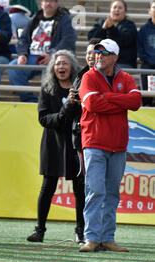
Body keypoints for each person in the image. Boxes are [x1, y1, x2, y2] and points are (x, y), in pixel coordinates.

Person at [78, 39, 141, 252]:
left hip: (118, 145)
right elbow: (92, 103)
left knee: (112, 193)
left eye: (105, 53)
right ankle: (92, 238)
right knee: (95, 191)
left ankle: (107, 238)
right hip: (94, 142)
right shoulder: (88, 77)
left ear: (115, 57)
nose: (99, 56)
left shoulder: (125, 77)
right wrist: (120, 101)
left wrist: (109, 97)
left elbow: (136, 102)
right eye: (98, 52)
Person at [26, 50, 83, 243]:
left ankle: (81, 231)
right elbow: (43, 118)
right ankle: (39, 230)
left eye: (65, 63)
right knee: (47, 187)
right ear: (53, 68)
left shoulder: (80, 88)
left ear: (72, 67)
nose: (61, 67)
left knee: (80, 189)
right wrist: (62, 114)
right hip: (53, 143)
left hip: (75, 142)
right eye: (58, 64)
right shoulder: (47, 89)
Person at [56, 38, 101, 244]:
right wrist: (71, 103)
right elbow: (68, 111)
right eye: (88, 52)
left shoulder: (111, 76)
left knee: (102, 189)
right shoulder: (81, 76)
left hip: (104, 138)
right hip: (82, 138)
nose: (91, 56)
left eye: (95, 52)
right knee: (82, 187)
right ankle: (82, 230)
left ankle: (102, 233)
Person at [7, 0, 76, 102]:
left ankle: (47, 104)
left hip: (53, 57)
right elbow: (23, 39)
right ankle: (31, 101)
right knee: (13, 68)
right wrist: (22, 54)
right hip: (32, 56)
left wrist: (52, 54)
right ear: (41, 3)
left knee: (52, 69)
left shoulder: (64, 19)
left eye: (52, 1)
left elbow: (68, 40)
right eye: (46, 1)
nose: (48, 4)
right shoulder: (35, 18)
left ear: (57, 4)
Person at [88, 0, 137, 69]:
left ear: (125, 12)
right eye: (114, 7)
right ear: (110, 10)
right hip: (100, 60)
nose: (117, 10)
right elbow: (92, 39)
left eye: (120, 8)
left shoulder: (129, 25)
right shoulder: (102, 22)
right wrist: (103, 29)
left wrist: (111, 28)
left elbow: (123, 41)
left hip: (122, 62)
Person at [137, 0, 155, 107]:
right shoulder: (143, 29)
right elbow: (140, 50)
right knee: (147, 98)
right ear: (149, 11)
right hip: (148, 65)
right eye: (154, 7)